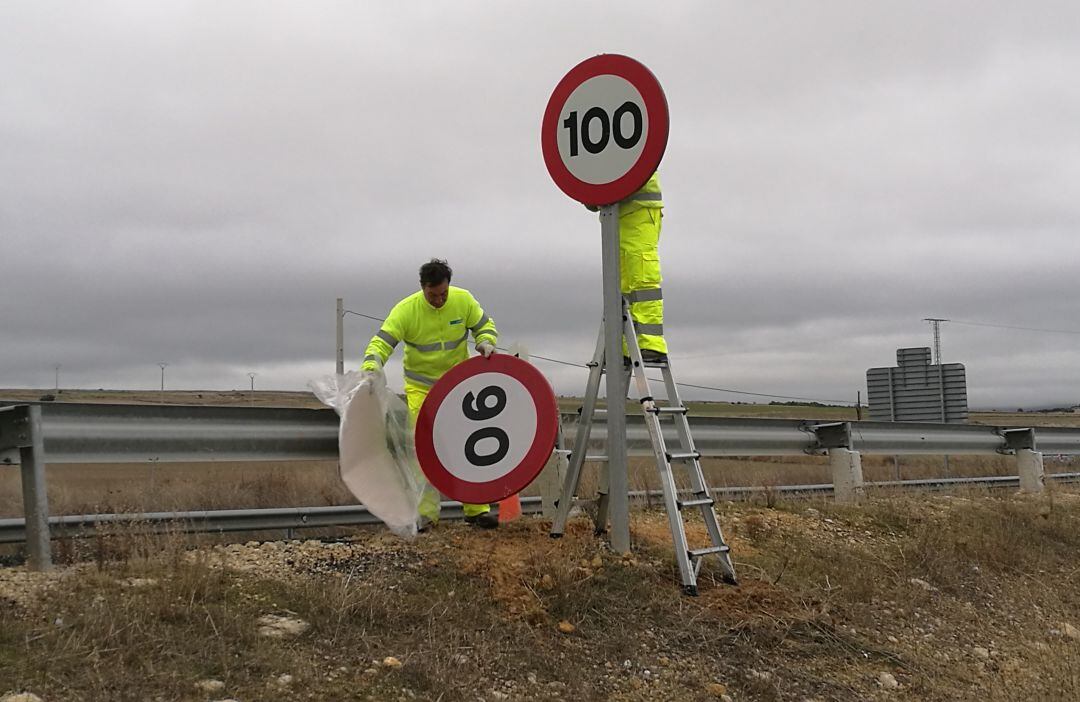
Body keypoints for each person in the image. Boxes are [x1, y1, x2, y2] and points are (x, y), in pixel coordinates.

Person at [361, 259, 500, 529]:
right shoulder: (406, 310)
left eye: (443, 294)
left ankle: (476, 509)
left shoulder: (464, 300)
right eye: (433, 295)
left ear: (449, 286)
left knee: (467, 442)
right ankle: (426, 514)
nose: (439, 300)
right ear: (423, 288)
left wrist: (486, 341)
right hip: (421, 388)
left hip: (458, 386)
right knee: (423, 447)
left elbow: (485, 325)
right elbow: (382, 342)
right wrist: (371, 366)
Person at [589, 171, 667, 363]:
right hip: (614, 215)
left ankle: (651, 343)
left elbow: (632, 164)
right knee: (621, 284)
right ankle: (622, 347)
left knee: (641, 276)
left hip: (640, 211)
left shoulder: (636, 148)